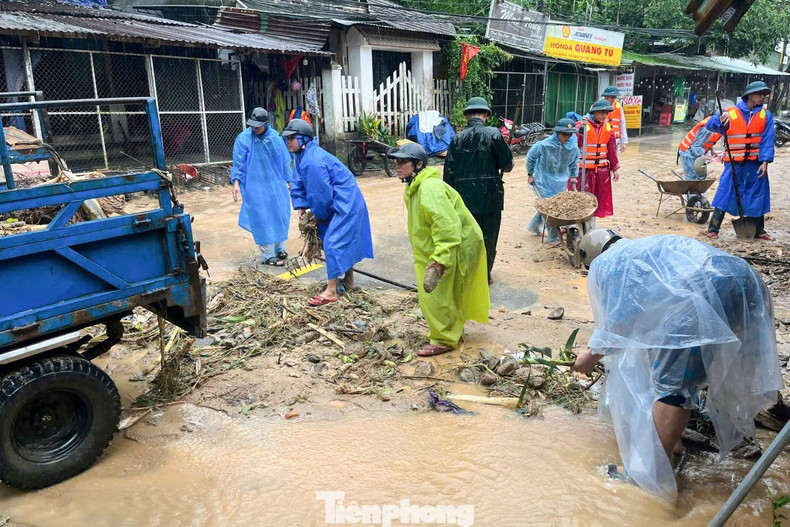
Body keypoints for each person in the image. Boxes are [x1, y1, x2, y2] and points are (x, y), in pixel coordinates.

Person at [572, 229, 782, 500]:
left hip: (704, 295)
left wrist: (588, 358)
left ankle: (645, 473)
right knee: (687, 374)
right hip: (746, 281)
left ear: (591, 259)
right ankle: (673, 445)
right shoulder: (643, 249)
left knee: (672, 384)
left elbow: (619, 325)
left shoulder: (608, 264)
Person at [388, 143, 490, 357]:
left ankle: (444, 340)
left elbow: (447, 226)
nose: (397, 166)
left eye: (402, 162)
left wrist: (441, 258)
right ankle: (451, 331)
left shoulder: (429, 189)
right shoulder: (417, 186)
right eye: (396, 162)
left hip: (453, 245)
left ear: (418, 164)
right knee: (447, 293)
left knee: (437, 296)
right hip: (441, 245)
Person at [283, 119, 374, 306]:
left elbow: (321, 195)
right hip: (337, 201)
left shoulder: (313, 161)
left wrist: (317, 215)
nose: (288, 142)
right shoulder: (302, 157)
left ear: (303, 139)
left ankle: (331, 291)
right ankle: (349, 282)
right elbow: (298, 180)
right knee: (334, 240)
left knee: (334, 242)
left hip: (346, 203)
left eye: (292, 138)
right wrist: (300, 205)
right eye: (287, 138)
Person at [443, 97, 514, 285]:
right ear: (485, 115)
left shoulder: (456, 140)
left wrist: (450, 200)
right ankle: (485, 274)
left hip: (464, 198)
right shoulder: (494, 134)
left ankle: (468, 272)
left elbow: (448, 174)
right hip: (491, 197)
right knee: (489, 236)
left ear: (467, 116)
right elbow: (507, 164)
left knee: (468, 236)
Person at [705, 81, 775, 240]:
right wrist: (721, 120)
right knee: (725, 193)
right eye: (760, 94)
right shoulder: (730, 112)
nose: (763, 97)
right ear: (750, 95)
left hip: (755, 164)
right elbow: (711, 125)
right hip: (734, 164)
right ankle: (713, 228)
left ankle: (759, 231)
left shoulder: (766, 116)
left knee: (758, 196)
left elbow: (767, 140)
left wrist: (765, 162)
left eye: (764, 94)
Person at [231, 107, 293, 266]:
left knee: (280, 214)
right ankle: (267, 255)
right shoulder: (244, 139)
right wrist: (236, 184)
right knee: (262, 218)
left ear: (266, 123)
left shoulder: (275, 138)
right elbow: (238, 164)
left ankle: (280, 248)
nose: (255, 128)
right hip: (254, 186)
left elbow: (285, 163)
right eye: (253, 125)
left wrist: (290, 181)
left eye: (258, 125)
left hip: (275, 184)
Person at [526, 118, 581, 242]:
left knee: (552, 207)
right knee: (551, 210)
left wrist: (573, 176)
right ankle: (553, 238)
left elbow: (574, 163)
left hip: (560, 182)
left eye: (569, 134)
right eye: (564, 134)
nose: (567, 137)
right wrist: (530, 174)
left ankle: (534, 226)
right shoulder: (544, 145)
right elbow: (531, 157)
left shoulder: (573, 148)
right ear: (557, 133)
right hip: (543, 180)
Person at [570, 100, 621, 225]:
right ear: (594, 112)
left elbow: (612, 150)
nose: (604, 115)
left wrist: (615, 168)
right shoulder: (582, 126)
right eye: (601, 112)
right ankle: (573, 225)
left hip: (601, 172)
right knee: (579, 200)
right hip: (583, 171)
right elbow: (573, 146)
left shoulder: (608, 128)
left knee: (596, 201)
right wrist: (580, 130)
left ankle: (591, 227)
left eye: (606, 113)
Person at [677, 116, 721, 185]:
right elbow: (695, 147)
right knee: (692, 178)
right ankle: (692, 195)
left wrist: (712, 151)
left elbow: (708, 140)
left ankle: (699, 194)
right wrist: (704, 157)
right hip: (688, 151)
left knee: (702, 177)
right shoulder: (707, 129)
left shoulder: (717, 127)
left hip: (697, 151)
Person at [601, 86, 628, 153]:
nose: (613, 99)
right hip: (602, 139)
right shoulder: (597, 106)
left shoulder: (618, 107)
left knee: (614, 161)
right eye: (612, 97)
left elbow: (622, 124)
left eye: (615, 97)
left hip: (616, 140)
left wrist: (623, 141)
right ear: (606, 96)